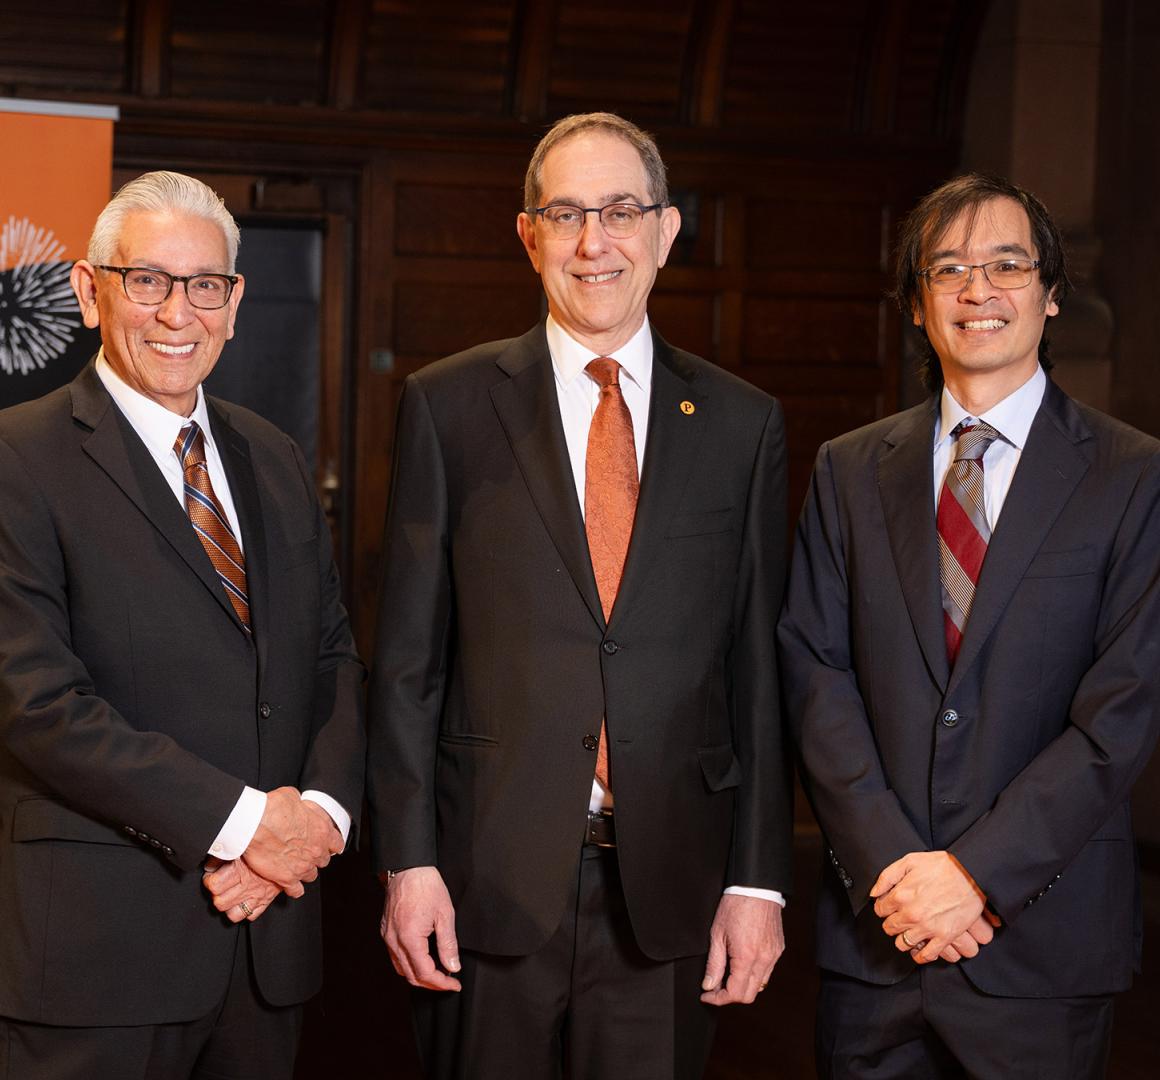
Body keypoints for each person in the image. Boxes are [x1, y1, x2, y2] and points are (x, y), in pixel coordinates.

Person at [367, 112, 792, 1079]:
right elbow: (405, 662)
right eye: (565, 214)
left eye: (620, 212)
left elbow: (757, 672)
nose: (594, 242)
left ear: (667, 231)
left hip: (674, 888)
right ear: (528, 235)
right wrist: (408, 860)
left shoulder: (742, 423)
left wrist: (759, 879)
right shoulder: (449, 405)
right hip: (483, 881)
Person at [778, 172, 1160, 1078]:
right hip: (881, 939)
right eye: (947, 269)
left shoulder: (1134, 476)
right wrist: (901, 879)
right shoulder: (847, 470)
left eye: (1006, 265)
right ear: (916, 303)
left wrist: (975, 876)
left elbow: (1125, 708)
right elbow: (813, 672)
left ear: (1051, 292)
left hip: (1043, 944)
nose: (977, 290)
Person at [0, 171, 365, 1080]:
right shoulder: (17, 458)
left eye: (205, 284)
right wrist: (245, 826)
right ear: (90, 291)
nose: (177, 312)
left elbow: (330, 659)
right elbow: (38, 706)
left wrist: (312, 821)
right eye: (147, 281)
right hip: (98, 957)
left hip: (266, 941)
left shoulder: (273, 456)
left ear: (235, 303)